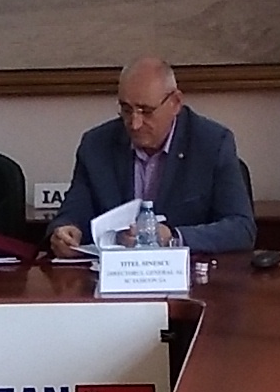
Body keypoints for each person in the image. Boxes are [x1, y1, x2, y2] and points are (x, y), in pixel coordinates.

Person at [45, 56, 256, 255]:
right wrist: (66, 231)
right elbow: (73, 211)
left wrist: (173, 237)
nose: (135, 124)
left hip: (189, 275)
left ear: (175, 103)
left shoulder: (212, 143)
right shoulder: (96, 145)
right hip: (112, 275)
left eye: (146, 111)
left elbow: (242, 228)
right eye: (126, 110)